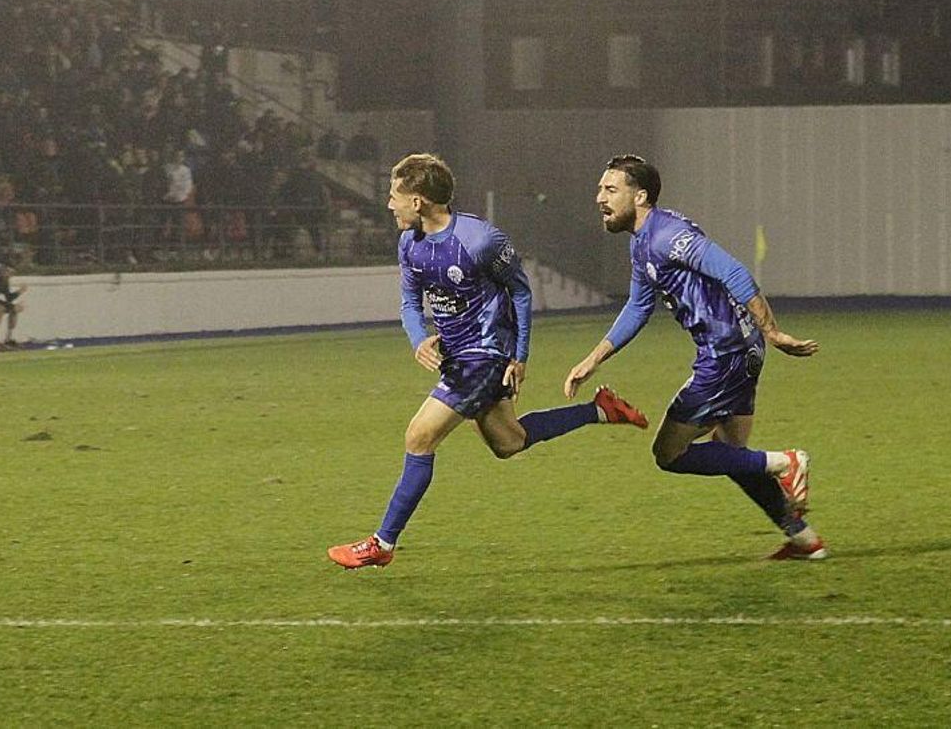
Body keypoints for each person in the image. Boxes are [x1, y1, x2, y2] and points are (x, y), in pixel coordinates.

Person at [327, 153, 648, 570]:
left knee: (419, 437)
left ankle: (382, 544)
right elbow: (409, 302)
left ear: (418, 201)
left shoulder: (480, 240)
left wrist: (520, 356)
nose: (389, 204)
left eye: (395, 196)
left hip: (486, 355)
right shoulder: (410, 243)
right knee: (508, 442)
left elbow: (521, 292)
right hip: (456, 357)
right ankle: (599, 410)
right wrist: (418, 339)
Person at [562, 155, 826, 560]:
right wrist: (594, 359)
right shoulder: (642, 242)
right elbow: (638, 306)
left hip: (724, 355)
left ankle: (786, 462)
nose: (600, 198)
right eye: (600, 189)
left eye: (610, 189)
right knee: (732, 455)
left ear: (641, 196)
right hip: (740, 350)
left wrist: (772, 331)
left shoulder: (668, 236)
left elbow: (733, 271)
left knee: (669, 453)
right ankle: (805, 540)